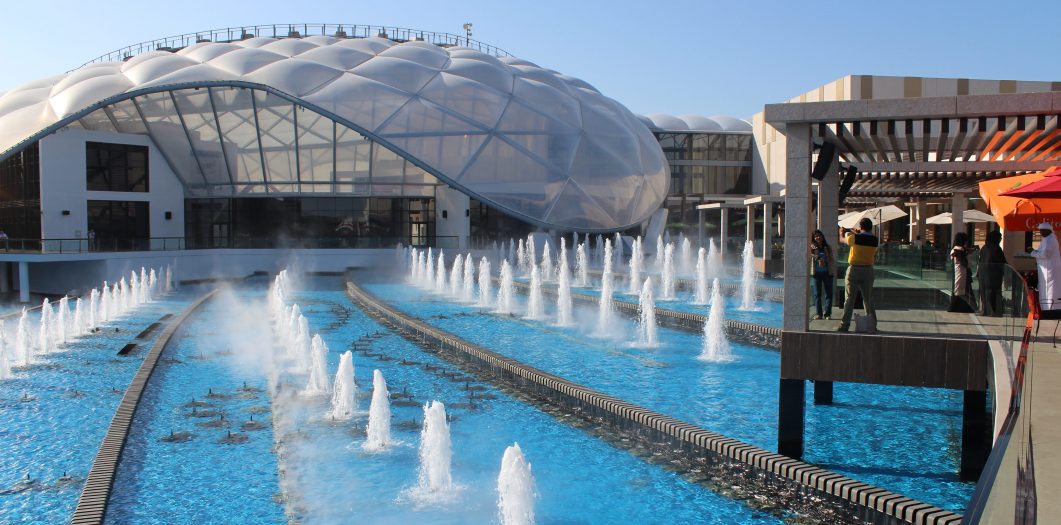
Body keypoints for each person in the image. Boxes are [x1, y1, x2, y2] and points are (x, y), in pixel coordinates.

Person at [838, 217, 878, 332]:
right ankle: (872, 325)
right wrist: (855, 232)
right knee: (868, 299)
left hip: (854, 270)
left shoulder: (854, 238)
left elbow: (842, 240)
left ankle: (844, 325)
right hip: (868, 271)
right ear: (871, 227)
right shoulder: (875, 240)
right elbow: (865, 237)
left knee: (850, 299)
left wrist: (841, 233)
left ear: (861, 227)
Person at [1030, 221, 1061, 311]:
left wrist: (1032, 253)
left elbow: (1045, 254)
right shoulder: (1048, 239)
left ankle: (1049, 309)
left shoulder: (1049, 240)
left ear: (1047, 230)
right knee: (1048, 289)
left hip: (1049, 270)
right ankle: (1048, 308)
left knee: (1050, 290)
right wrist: (1035, 252)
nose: (1041, 233)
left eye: (1042, 231)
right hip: (1047, 269)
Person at [977, 230, 1007, 316]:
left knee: (984, 292)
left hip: (983, 274)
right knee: (993, 292)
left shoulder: (984, 247)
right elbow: (1002, 262)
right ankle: (993, 311)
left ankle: (985, 310)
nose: (1001, 239)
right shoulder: (997, 249)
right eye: (999, 237)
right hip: (993, 274)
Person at [948, 233, 976, 312]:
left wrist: (967, 251)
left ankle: (956, 307)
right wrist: (968, 254)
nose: (966, 243)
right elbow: (964, 263)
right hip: (961, 273)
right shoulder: (959, 250)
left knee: (960, 291)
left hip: (959, 273)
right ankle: (973, 307)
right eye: (965, 242)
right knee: (963, 292)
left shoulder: (957, 249)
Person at [810, 229, 834, 320]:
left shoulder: (827, 247)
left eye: (819, 235)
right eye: (816, 236)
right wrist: (819, 258)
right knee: (817, 294)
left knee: (829, 294)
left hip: (827, 273)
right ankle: (819, 314)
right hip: (816, 274)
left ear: (822, 237)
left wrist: (825, 262)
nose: (818, 237)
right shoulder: (812, 248)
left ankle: (827, 314)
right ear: (814, 238)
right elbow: (810, 255)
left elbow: (832, 259)